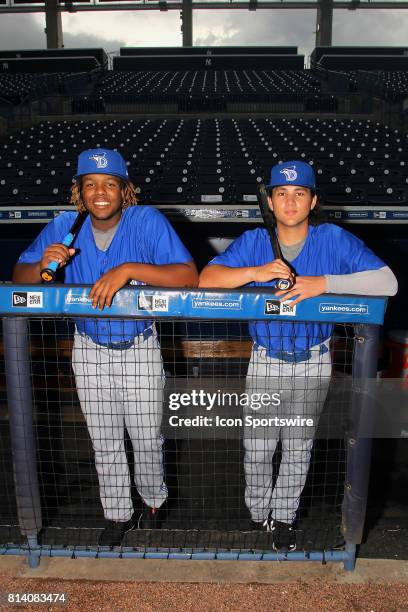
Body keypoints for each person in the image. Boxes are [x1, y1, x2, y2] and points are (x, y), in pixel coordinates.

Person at [199, 160, 397, 552]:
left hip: (313, 359)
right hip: (266, 358)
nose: (290, 202)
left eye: (299, 193)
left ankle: (284, 519)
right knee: (257, 450)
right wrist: (255, 272)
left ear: (313, 201)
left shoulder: (333, 239)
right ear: (271, 202)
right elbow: (207, 279)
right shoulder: (256, 242)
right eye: (282, 194)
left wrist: (325, 282)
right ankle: (259, 514)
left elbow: (387, 282)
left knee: (297, 449)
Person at [13, 148, 198, 547]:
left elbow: (188, 276)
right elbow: (21, 276)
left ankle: (152, 501)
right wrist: (43, 263)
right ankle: (117, 513)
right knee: (105, 440)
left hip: (139, 346)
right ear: (79, 191)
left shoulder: (146, 220)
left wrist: (128, 269)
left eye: (110, 184)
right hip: (89, 347)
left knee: (148, 438)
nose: (100, 192)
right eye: (91, 184)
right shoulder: (65, 223)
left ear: (124, 191)